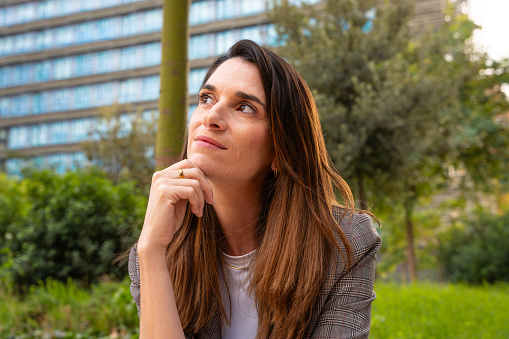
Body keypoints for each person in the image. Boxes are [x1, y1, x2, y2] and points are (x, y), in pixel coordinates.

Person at [128, 39, 381, 339]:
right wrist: (152, 251)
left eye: (244, 107)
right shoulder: (157, 252)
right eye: (206, 98)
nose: (210, 117)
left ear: (279, 150)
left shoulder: (345, 244)